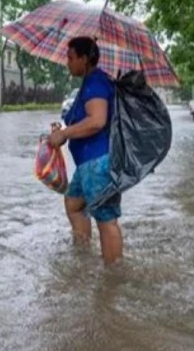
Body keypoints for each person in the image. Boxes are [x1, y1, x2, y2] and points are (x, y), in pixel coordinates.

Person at [49, 36, 123, 265]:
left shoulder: (97, 83)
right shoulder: (88, 83)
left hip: (98, 162)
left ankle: (114, 277)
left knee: (106, 219)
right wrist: (62, 129)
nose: (67, 63)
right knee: (73, 204)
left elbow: (97, 121)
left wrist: (64, 134)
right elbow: (83, 120)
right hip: (87, 165)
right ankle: (83, 258)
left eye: (71, 58)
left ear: (85, 58)